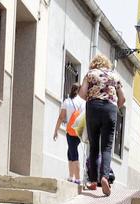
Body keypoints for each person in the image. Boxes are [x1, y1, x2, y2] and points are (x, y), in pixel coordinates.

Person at [78, 54, 125, 196]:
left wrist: (92, 97)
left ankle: (92, 181)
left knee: (93, 145)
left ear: (94, 64)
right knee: (107, 147)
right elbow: (123, 98)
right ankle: (104, 177)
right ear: (107, 64)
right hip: (110, 109)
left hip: (93, 107)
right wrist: (115, 107)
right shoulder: (114, 76)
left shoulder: (90, 74)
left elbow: (81, 93)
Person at [53, 83, 85, 184]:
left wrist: (56, 130)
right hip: (79, 131)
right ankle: (71, 177)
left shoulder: (67, 101)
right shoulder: (84, 103)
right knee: (70, 151)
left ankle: (78, 178)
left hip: (71, 131)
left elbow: (61, 117)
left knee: (73, 152)